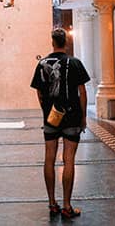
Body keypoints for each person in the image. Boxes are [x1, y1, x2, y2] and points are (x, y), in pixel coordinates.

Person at [30, 28, 90, 219]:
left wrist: (46, 110)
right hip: (71, 116)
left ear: (52, 42)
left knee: (49, 157)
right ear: (66, 42)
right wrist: (83, 117)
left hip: (51, 117)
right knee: (69, 159)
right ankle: (66, 205)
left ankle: (52, 203)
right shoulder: (75, 63)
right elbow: (82, 92)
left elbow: (39, 92)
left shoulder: (42, 63)